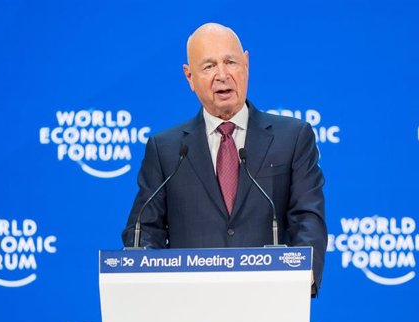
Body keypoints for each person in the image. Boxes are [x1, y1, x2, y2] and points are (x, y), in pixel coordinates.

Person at [122, 23, 326, 294]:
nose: (222, 75)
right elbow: (144, 229)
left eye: (230, 62)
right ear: (189, 77)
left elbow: (307, 218)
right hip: (188, 308)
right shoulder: (166, 149)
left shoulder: (293, 137)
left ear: (246, 64)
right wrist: (143, 281)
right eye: (208, 66)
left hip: (270, 302)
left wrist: (301, 280)